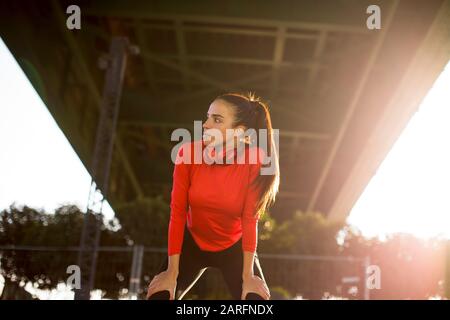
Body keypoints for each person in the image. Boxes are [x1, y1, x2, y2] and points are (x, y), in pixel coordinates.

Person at [146, 92, 280, 300]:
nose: (205, 125)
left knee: (255, 302)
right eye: (207, 116)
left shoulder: (254, 161)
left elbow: (249, 218)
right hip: (192, 243)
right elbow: (178, 213)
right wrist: (171, 273)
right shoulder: (187, 154)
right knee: (161, 296)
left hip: (234, 247)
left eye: (216, 120)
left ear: (239, 132)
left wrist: (248, 275)